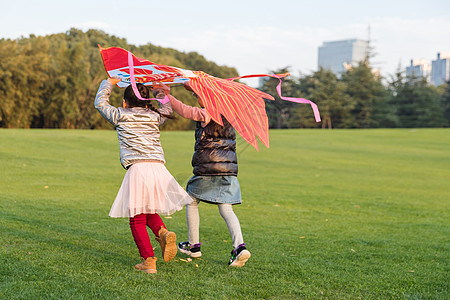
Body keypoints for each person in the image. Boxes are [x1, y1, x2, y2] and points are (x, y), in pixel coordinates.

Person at [94, 77, 192, 274]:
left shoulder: (120, 114)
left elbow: (100, 103)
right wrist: (161, 92)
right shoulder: (153, 116)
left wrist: (109, 82)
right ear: (146, 101)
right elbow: (167, 110)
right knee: (145, 208)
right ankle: (162, 232)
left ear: (125, 102)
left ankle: (148, 260)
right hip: (158, 168)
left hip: (138, 168)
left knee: (136, 217)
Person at [155, 82, 251, 267]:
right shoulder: (228, 114)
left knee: (190, 200)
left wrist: (163, 94)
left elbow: (183, 110)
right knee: (226, 208)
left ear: (207, 99)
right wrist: (192, 87)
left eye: (198, 96)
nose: (196, 99)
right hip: (228, 170)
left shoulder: (206, 113)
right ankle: (239, 247)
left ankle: (193, 246)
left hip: (209, 168)